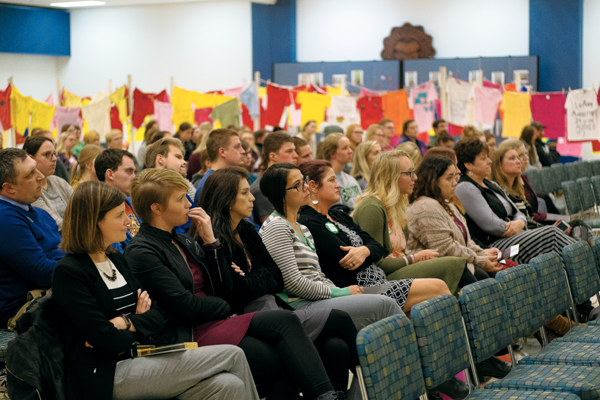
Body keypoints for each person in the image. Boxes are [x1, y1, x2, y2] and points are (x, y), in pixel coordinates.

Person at [124, 168, 348, 400]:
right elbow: (186, 306)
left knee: (312, 336)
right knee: (284, 352)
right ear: (156, 208)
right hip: (188, 333)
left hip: (216, 321)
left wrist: (211, 243)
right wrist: (224, 304)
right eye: (180, 199)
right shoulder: (142, 251)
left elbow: (226, 289)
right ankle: (326, 396)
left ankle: (327, 396)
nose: (188, 204)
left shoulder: (183, 240)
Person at [259, 162, 471, 399]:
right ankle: (428, 376)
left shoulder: (301, 227)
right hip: (302, 305)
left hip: (323, 295)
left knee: (383, 335)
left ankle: (399, 386)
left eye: (303, 181)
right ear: (282, 193)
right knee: (386, 305)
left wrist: (344, 288)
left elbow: (326, 271)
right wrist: (341, 293)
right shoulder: (277, 227)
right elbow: (294, 284)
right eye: (297, 185)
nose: (305, 187)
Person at [54, 180, 259, 400]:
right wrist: (137, 322)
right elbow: (105, 340)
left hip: (142, 356)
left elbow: (157, 316)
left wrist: (127, 323)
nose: (128, 221)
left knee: (230, 385)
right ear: (93, 222)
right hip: (105, 373)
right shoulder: (69, 272)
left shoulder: (115, 259)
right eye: (118, 216)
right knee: (233, 355)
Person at [199, 167, 361, 397]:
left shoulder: (246, 230)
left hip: (271, 306)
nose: (253, 197)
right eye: (245, 193)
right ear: (226, 199)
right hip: (248, 315)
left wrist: (249, 277)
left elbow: (275, 277)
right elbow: (234, 292)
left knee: (336, 346)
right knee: (342, 317)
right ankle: (380, 378)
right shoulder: (214, 239)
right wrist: (254, 278)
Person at [298, 159, 451, 314]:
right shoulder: (309, 222)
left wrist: (364, 250)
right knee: (438, 287)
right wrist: (369, 251)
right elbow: (348, 260)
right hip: (359, 291)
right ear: (312, 186)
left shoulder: (338, 215)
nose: (338, 185)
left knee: (425, 306)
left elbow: (377, 247)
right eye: (332, 180)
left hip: (379, 281)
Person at [350, 150, 472, 294]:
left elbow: (399, 254)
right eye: (409, 173)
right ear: (391, 176)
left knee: (456, 275)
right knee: (454, 265)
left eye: (413, 171)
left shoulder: (397, 206)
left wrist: (414, 259)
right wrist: (414, 258)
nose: (415, 177)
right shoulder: (372, 208)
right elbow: (376, 264)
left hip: (397, 270)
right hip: (380, 280)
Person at [454, 138, 576, 264]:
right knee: (552, 234)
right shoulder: (465, 187)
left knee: (573, 225)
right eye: (484, 158)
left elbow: (519, 213)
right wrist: (519, 226)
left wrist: (520, 223)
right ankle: (587, 262)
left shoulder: (490, 184)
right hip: (498, 248)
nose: (489, 161)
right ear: (468, 164)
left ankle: (587, 261)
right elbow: (491, 225)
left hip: (518, 235)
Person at [407, 156, 501, 282]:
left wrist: (482, 253)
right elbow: (445, 249)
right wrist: (479, 259)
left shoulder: (447, 204)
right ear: (433, 180)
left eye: (454, 177)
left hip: (460, 262)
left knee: (499, 273)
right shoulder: (425, 207)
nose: (455, 182)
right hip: (436, 270)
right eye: (449, 178)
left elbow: (466, 241)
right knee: (485, 280)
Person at [0, 148, 64, 328]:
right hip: (25, 308)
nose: (41, 176)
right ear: (9, 187)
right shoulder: (5, 217)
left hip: (51, 295)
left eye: (36, 169)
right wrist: (83, 261)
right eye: (30, 174)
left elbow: (65, 253)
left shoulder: (41, 214)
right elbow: (42, 272)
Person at [145, 137, 196, 233]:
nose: (184, 162)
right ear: (160, 159)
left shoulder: (181, 190)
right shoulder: (150, 193)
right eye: (178, 157)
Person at [24, 136, 74, 230]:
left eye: (54, 154)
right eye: (47, 154)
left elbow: (80, 208)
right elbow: (54, 224)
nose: (54, 159)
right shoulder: (29, 189)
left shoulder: (59, 182)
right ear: (31, 159)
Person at [95, 148, 140, 251]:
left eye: (134, 171)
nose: (134, 177)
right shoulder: (102, 210)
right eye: (129, 171)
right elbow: (116, 254)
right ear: (110, 174)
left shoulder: (130, 201)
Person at [251, 132, 298, 225]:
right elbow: (274, 226)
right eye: (289, 151)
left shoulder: (286, 181)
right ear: (273, 156)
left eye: (294, 150)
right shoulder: (262, 188)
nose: (295, 155)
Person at [193, 128, 245, 205]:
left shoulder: (228, 178)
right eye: (237, 147)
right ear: (222, 152)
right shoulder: (209, 185)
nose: (243, 151)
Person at [321, 133, 361, 210]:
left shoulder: (351, 179)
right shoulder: (326, 180)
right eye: (345, 148)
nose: (350, 151)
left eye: (349, 147)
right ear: (332, 154)